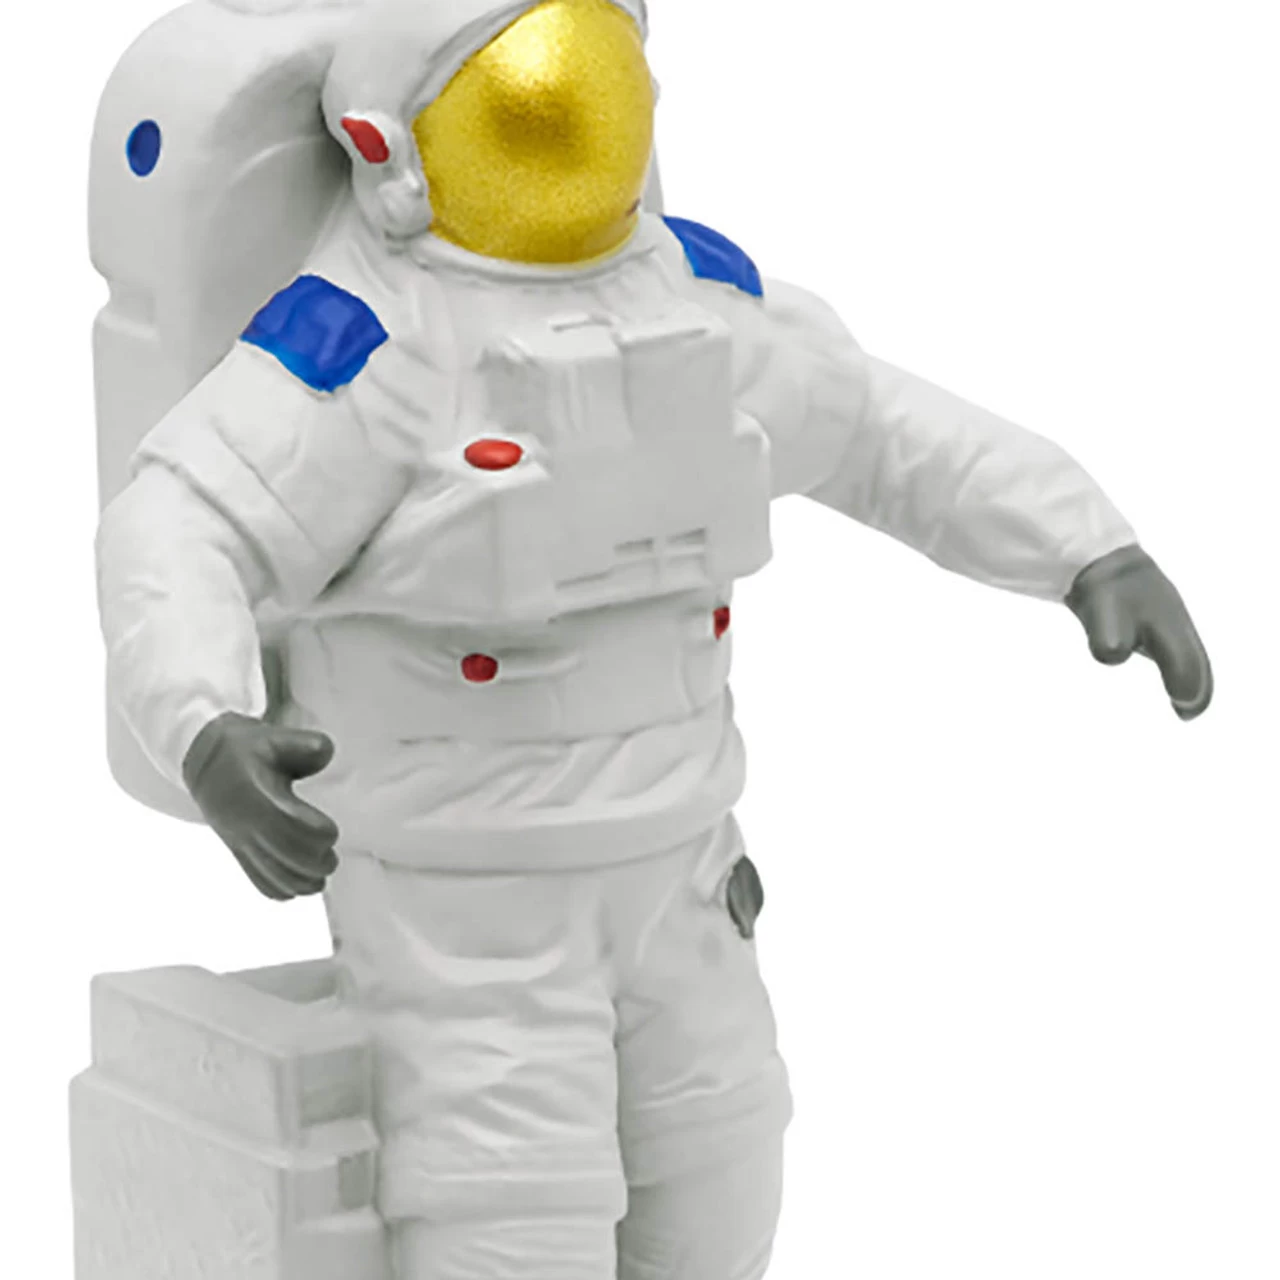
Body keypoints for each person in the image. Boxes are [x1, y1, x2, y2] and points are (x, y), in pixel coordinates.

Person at [95, 1, 1212, 1277]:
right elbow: (178, 524)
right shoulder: (365, 347)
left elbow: (881, 431)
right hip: (466, 913)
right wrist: (203, 720)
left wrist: (1079, 542)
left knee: (719, 1188)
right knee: (512, 1229)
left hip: (681, 868)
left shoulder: (691, 303)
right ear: (384, 143)